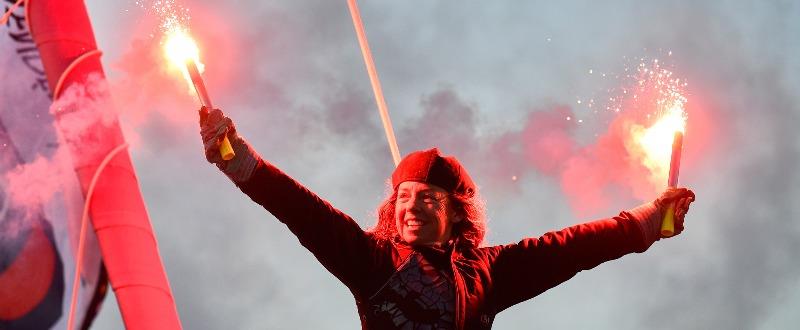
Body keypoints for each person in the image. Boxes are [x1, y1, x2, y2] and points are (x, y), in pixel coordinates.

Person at [198, 107, 696, 329]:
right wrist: (235, 157)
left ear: (456, 213)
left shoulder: (489, 272)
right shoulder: (372, 260)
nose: (412, 206)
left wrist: (652, 220)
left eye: (428, 198)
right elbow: (301, 210)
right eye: (404, 198)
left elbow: (572, 248)